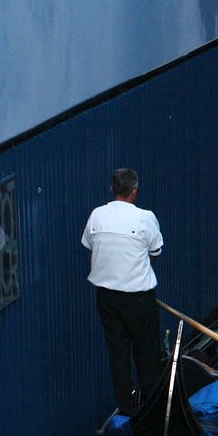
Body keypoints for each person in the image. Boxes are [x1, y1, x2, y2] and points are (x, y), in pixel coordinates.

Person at [82, 168, 164, 415]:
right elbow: (155, 253)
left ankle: (127, 409)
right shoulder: (145, 218)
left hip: (106, 297)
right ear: (134, 191)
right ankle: (151, 410)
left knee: (118, 353)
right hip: (138, 297)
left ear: (111, 189)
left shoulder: (96, 215)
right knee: (146, 353)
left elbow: (91, 249)